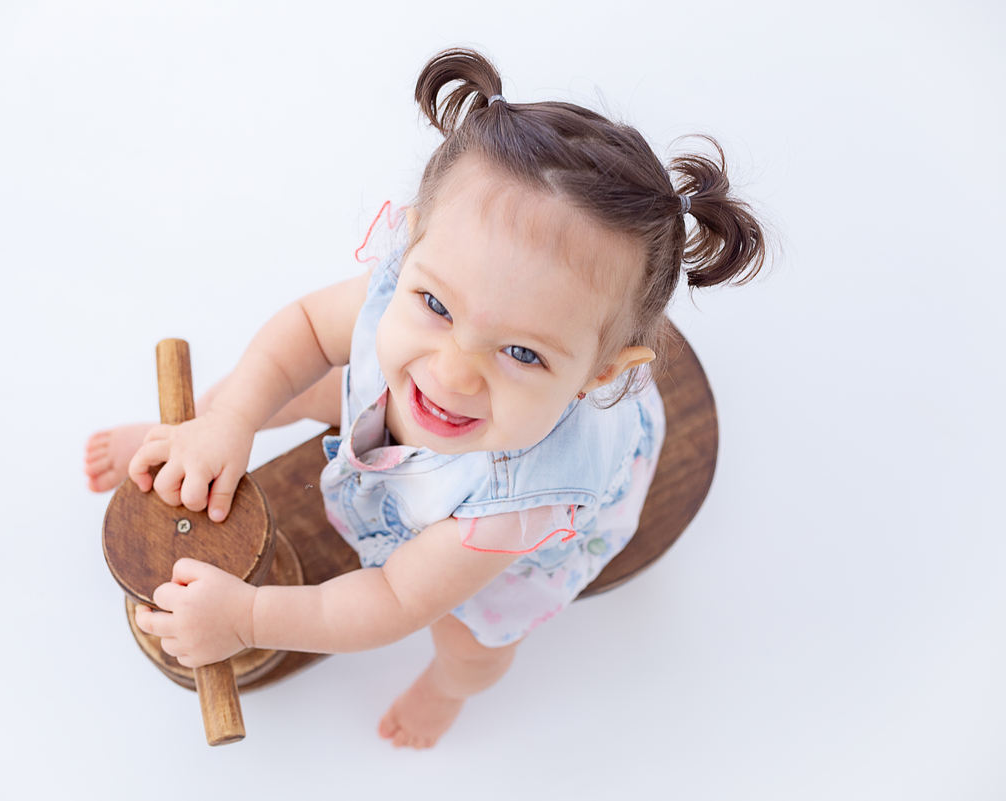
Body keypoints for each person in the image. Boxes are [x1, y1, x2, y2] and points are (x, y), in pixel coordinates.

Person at [83, 48, 766, 749]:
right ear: (413, 243)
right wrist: (229, 421)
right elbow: (308, 329)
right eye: (436, 303)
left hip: (484, 530)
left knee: (472, 640)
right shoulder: (418, 281)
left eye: (523, 352)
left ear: (597, 375)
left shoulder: (514, 508)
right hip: (423, 441)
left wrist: (249, 618)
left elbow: (392, 599)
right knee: (294, 382)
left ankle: (449, 692)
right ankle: (192, 432)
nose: (454, 373)